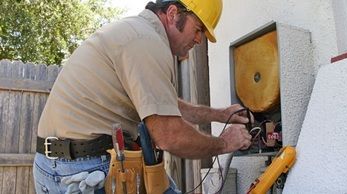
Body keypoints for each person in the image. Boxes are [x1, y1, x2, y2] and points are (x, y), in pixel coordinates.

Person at [33, 0, 252, 193]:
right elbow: (169, 135)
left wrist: (220, 115)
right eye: (198, 29)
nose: (199, 39)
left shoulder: (137, 32)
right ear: (173, 13)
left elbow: (164, 104)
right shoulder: (146, 41)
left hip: (56, 164)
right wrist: (225, 143)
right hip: (84, 171)